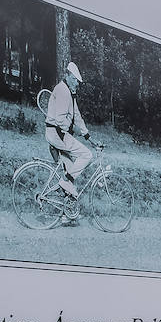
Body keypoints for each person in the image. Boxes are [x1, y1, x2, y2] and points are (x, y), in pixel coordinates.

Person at [45, 61, 100, 220]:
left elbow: (77, 116)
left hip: (59, 134)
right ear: (68, 76)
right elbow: (62, 120)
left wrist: (88, 137)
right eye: (75, 79)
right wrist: (72, 131)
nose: (77, 83)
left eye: (78, 81)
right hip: (57, 134)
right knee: (86, 156)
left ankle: (66, 214)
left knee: (71, 171)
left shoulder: (69, 91)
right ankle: (66, 183)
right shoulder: (62, 90)